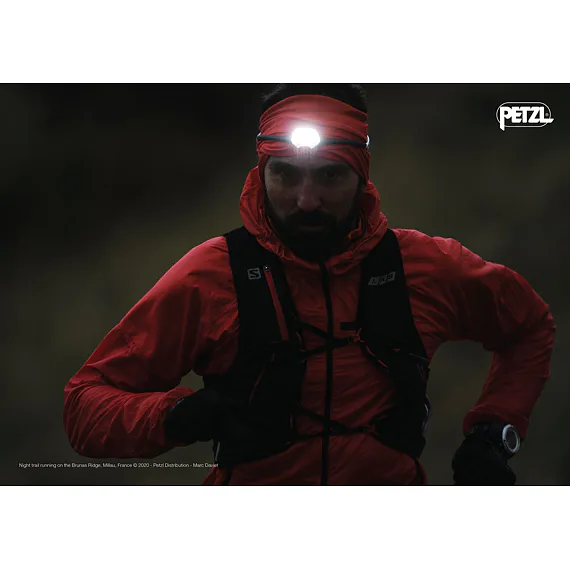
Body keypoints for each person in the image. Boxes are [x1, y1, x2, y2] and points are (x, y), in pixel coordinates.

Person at [63, 84, 556, 485]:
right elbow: (84, 405)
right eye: (285, 175)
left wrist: (495, 432)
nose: (306, 200)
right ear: (262, 171)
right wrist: (177, 416)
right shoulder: (212, 274)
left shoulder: (424, 266)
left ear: (361, 174)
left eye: (329, 176)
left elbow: (529, 326)